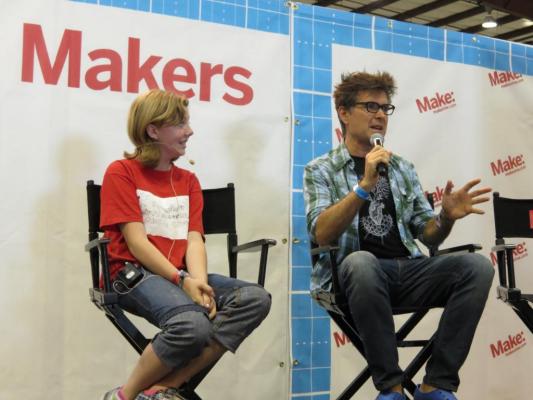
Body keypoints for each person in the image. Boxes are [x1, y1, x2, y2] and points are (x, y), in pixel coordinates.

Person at [303, 71, 494, 400]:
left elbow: (429, 236)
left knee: (477, 267)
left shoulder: (403, 168)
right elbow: (321, 233)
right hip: (350, 279)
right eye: (370, 106)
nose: (379, 115)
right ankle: (390, 388)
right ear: (344, 113)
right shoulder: (320, 169)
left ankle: (437, 385)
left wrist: (446, 217)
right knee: (361, 262)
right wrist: (363, 187)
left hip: (405, 271)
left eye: (385, 108)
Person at [100, 89, 271, 400]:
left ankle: (166, 388)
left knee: (253, 298)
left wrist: (200, 283)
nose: (189, 131)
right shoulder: (121, 171)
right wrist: (183, 280)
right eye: (180, 124)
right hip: (129, 275)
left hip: (178, 276)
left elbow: (194, 239)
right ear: (153, 130)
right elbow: (137, 243)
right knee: (191, 323)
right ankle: (126, 396)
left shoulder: (189, 181)